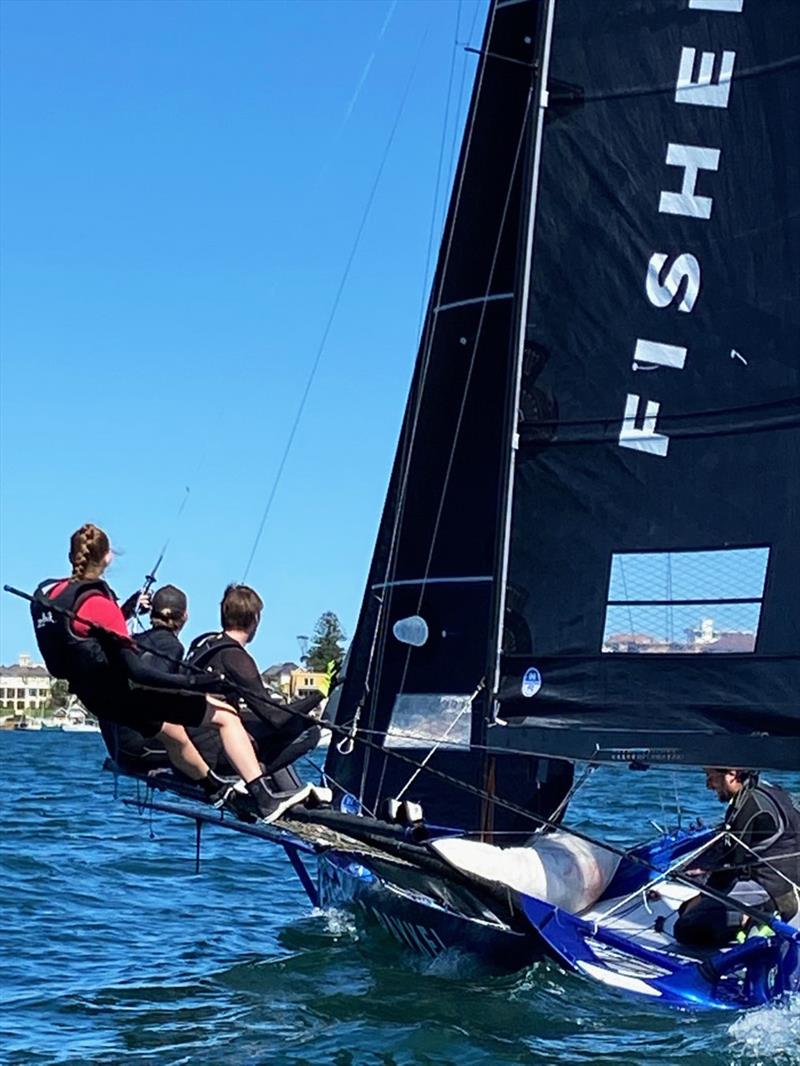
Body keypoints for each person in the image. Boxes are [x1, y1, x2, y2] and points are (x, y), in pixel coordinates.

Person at [30, 524, 306, 822]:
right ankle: (264, 798)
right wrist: (196, 681)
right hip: (125, 695)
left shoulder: (51, 594)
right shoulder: (100, 604)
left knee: (173, 733)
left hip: (96, 698)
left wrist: (124, 611)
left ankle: (216, 790)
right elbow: (138, 671)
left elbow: (83, 633)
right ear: (108, 557)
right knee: (225, 716)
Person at [186, 584, 323, 780]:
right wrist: (320, 694)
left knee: (254, 722)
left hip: (194, 745)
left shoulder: (204, 643)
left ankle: (271, 784)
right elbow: (275, 717)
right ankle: (256, 780)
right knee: (309, 729)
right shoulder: (236, 657)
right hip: (216, 755)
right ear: (255, 619)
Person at [673, 767, 800, 948]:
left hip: (768, 889)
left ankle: (753, 920)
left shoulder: (750, 806)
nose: (708, 785)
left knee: (687, 928)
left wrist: (700, 898)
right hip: (788, 882)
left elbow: (728, 867)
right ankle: (757, 915)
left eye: (711, 777)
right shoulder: (770, 790)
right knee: (689, 909)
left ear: (732, 774)